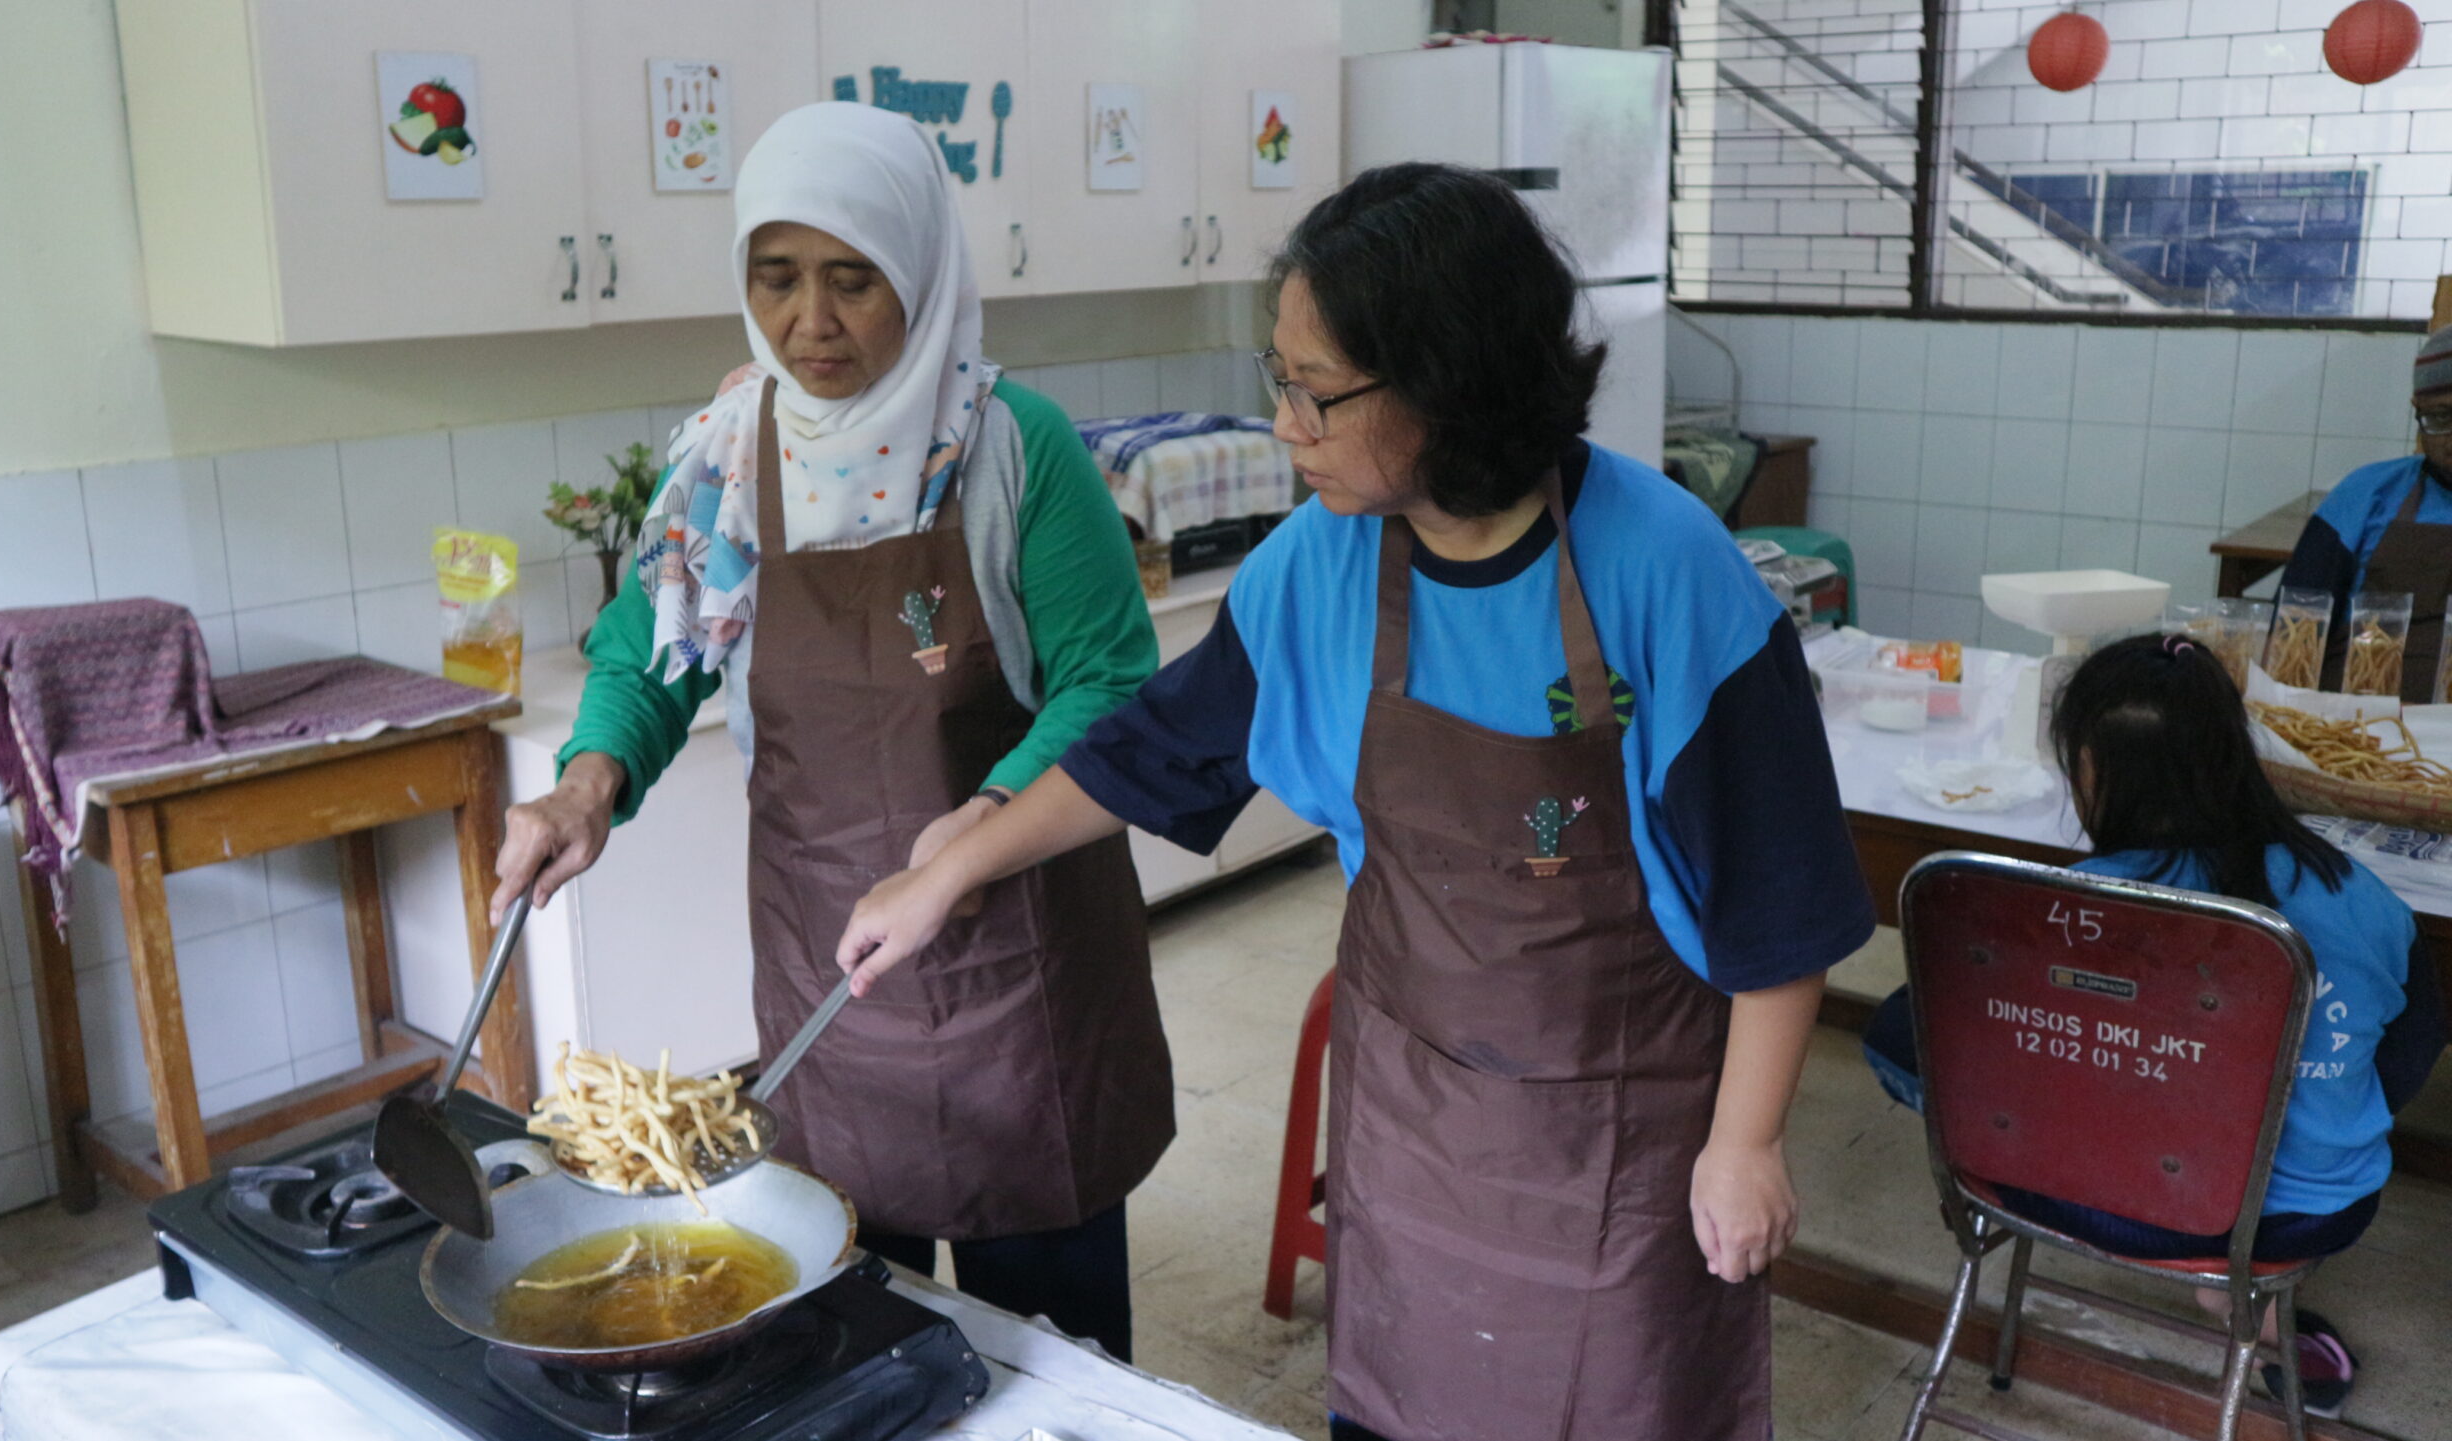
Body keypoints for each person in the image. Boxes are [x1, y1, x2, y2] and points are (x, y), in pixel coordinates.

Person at [836, 163, 1877, 1441]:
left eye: (1314, 392)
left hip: (1623, 1132)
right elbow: (1150, 751)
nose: (1284, 424)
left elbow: (1781, 908)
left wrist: (1747, 1142)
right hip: (1416, 1118)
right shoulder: (1315, 565)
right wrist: (956, 864)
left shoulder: (1671, 574)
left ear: (1443, 382)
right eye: (1280, 382)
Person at [488, 102, 1174, 1362]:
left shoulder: (1014, 454)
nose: (812, 320)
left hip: (1021, 970)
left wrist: (974, 821)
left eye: (853, 280)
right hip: (829, 972)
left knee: (1054, 1349)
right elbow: (651, 654)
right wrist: (589, 784)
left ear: (918, 268)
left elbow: (1113, 685)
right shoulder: (725, 457)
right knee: (855, 1324)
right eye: (778, 276)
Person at [1863, 633, 2446, 1419]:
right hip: (2301, 1215)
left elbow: (1922, 1036)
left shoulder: (2058, 909)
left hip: (2071, 1194)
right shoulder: (2359, 894)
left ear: (2092, 772)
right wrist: (2326, 1113)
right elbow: (2416, 1043)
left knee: (1913, 1032)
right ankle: (2250, 1304)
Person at [2280, 325, 2452, 699]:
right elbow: (2294, 629)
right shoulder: (2366, 494)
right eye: (2441, 419)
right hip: (2354, 730)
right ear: (2416, 413)